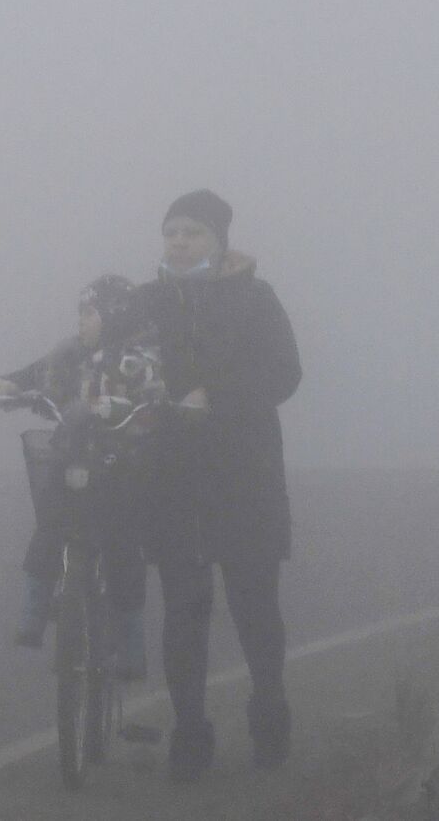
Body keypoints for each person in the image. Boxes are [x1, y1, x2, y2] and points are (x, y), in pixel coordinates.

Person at [138, 189, 302, 780]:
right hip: (174, 479)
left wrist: (217, 397)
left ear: (219, 241)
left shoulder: (254, 297)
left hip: (245, 476)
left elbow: (285, 371)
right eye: (172, 231)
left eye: (194, 232)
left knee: (254, 604)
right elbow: (99, 351)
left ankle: (269, 710)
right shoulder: (147, 302)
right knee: (183, 610)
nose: (180, 241)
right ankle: (189, 734)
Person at [0, 274, 158, 680]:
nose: (81, 322)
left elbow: (156, 396)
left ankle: (131, 645)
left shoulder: (140, 360)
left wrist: (152, 406)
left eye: (89, 313)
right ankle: (33, 610)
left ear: (115, 316)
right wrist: (11, 383)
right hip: (70, 462)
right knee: (49, 525)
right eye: (80, 313)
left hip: (121, 469)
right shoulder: (69, 356)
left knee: (122, 549)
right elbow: (36, 374)